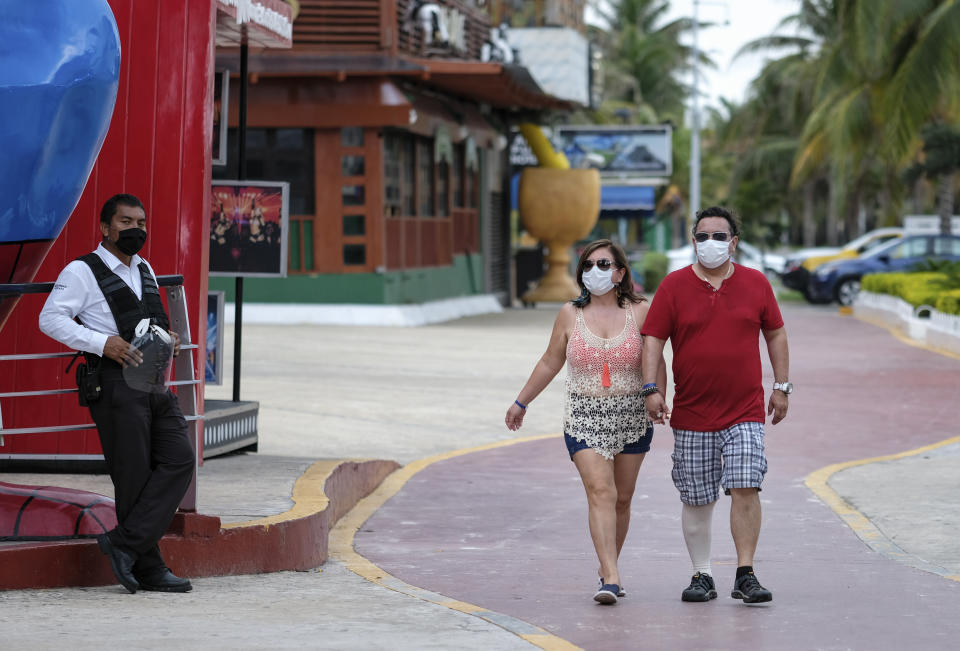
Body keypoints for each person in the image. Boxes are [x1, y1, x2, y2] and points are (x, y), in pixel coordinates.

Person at [39, 193, 195, 594]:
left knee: (180, 459)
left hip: (155, 382)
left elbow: (148, 320)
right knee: (133, 477)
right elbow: (49, 318)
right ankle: (150, 567)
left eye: (140, 222)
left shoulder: (145, 268)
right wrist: (100, 342)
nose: (135, 229)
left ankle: (123, 544)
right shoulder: (81, 271)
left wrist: (168, 338)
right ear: (105, 228)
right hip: (113, 383)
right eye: (125, 222)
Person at [639, 206, 790, 605]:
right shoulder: (673, 287)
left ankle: (745, 573)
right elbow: (652, 340)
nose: (711, 243)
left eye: (719, 236)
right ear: (692, 241)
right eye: (702, 236)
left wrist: (782, 387)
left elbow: (775, 334)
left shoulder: (756, 284)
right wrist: (650, 388)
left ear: (733, 243)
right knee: (697, 497)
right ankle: (702, 575)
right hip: (692, 413)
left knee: (745, 485)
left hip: (745, 412)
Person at [505, 239, 666, 605]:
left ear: (621, 272)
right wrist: (521, 402)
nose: (596, 271)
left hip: (631, 417)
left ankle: (608, 563)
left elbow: (657, 358)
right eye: (589, 265)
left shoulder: (640, 311)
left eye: (604, 264)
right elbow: (550, 361)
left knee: (622, 499)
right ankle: (610, 576)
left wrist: (658, 395)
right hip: (584, 417)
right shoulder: (569, 314)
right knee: (601, 492)